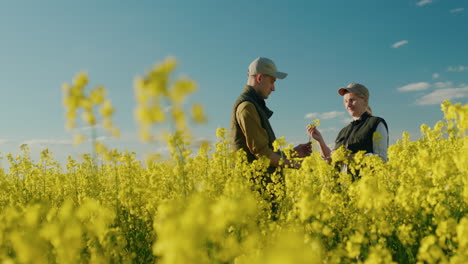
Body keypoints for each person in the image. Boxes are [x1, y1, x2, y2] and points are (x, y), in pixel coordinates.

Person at [230, 57, 311, 218]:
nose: (273, 88)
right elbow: (262, 154)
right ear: (259, 78)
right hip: (257, 196)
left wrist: (291, 153)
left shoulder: (253, 104)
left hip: (263, 194)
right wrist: (296, 165)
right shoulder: (247, 106)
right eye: (272, 82)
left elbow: (261, 150)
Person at [307, 83, 388, 173]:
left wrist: (348, 157)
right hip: (343, 185)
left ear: (365, 100)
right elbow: (331, 159)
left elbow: (381, 159)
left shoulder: (376, 123)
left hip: (365, 184)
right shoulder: (344, 131)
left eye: (352, 100)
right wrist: (320, 140)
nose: (348, 105)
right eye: (345, 101)